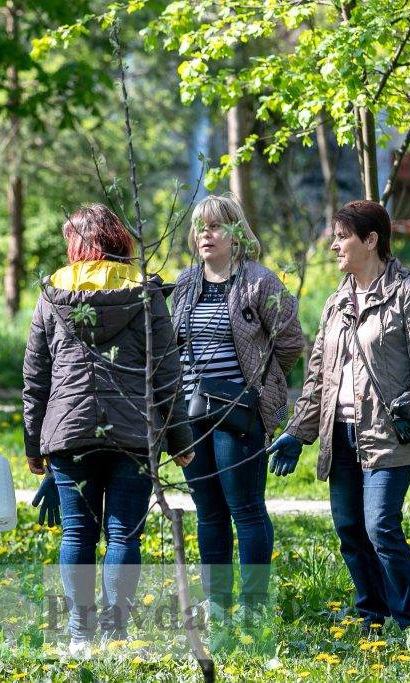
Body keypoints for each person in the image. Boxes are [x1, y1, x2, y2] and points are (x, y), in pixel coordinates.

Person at [22, 204, 194, 655]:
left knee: (77, 534)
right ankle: (115, 633)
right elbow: (167, 373)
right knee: (123, 535)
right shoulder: (145, 292)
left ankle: (79, 635)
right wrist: (180, 440)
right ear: (119, 240)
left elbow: (35, 376)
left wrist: (33, 444)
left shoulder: (52, 292)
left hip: (68, 430)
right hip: (134, 433)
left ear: (77, 245)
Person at [269, 200, 410, 634]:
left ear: (371, 240)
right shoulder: (335, 303)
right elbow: (317, 377)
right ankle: (372, 614)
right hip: (339, 431)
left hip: (388, 433)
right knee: (350, 529)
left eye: (342, 237)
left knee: (380, 526)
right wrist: (298, 431)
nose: (334, 246)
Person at [171, 194, 304, 628]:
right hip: (193, 415)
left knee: (245, 507)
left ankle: (253, 604)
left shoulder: (259, 283)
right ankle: (216, 603)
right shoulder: (186, 283)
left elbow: (290, 342)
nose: (205, 234)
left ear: (236, 233)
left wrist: (262, 386)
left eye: (215, 226)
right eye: (200, 227)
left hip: (239, 415)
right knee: (207, 509)